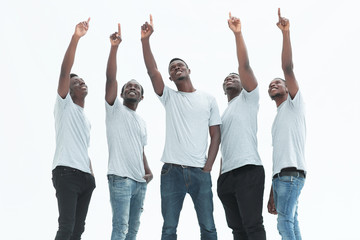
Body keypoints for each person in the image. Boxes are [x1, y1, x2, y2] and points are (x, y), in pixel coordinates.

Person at [140, 15, 221, 240]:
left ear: (188, 70)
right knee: (169, 228)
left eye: (180, 65)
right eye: (173, 68)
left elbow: (215, 135)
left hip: (200, 172)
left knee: (208, 227)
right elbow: (152, 71)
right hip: (172, 171)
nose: (177, 68)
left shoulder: (208, 99)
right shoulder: (169, 97)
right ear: (170, 76)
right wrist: (145, 40)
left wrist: (208, 167)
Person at [217, 13, 266, 240]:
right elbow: (223, 146)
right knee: (237, 230)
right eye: (226, 78)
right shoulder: (223, 113)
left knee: (252, 226)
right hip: (226, 177)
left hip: (248, 170)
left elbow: (244, 65)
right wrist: (220, 176)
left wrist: (237, 34)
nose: (230, 79)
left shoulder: (249, 99)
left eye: (234, 77)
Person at [105, 23, 153, 240]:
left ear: (142, 97)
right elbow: (111, 79)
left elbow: (140, 149)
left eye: (137, 88)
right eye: (128, 87)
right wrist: (114, 48)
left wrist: (148, 171)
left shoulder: (142, 121)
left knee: (133, 232)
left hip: (139, 182)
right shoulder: (114, 109)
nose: (132, 88)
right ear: (122, 94)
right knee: (120, 228)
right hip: (121, 179)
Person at [52, 18, 96, 240]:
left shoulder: (86, 119)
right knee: (66, 227)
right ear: (68, 90)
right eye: (76, 82)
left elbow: (84, 148)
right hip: (66, 172)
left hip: (85, 177)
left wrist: (91, 175)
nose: (82, 83)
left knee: (78, 231)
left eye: (83, 81)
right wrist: (76, 37)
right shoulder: (64, 105)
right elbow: (64, 71)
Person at [267, 9, 307, 240]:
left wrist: (285, 33)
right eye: (270, 84)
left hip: (292, 176)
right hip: (280, 177)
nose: (273, 85)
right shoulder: (277, 118)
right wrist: (272, 190)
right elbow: (278, 156)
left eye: (278, 83)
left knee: (284, 224)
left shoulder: (295, 104)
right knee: (292, 223)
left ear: (287, 88)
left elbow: (288, 68)